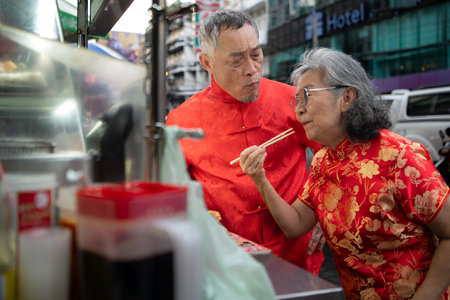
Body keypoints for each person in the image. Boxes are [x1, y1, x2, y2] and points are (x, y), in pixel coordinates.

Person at [239, 47, 450, 299]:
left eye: (307, 95)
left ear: (346, 97)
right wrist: (259, 179)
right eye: (297, 100)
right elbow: (295, 224)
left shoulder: (400, 156)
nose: (299, 110)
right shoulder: (322, 161)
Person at [166, 9, 324, 273]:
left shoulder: (291, 100)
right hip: (227, 254)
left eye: (256, 54)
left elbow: (331, 155)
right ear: (207, 63)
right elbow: (175, 187)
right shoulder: (181, 120)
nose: (251, 70)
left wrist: (320, 212)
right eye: (237, 60)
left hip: (295, 248)